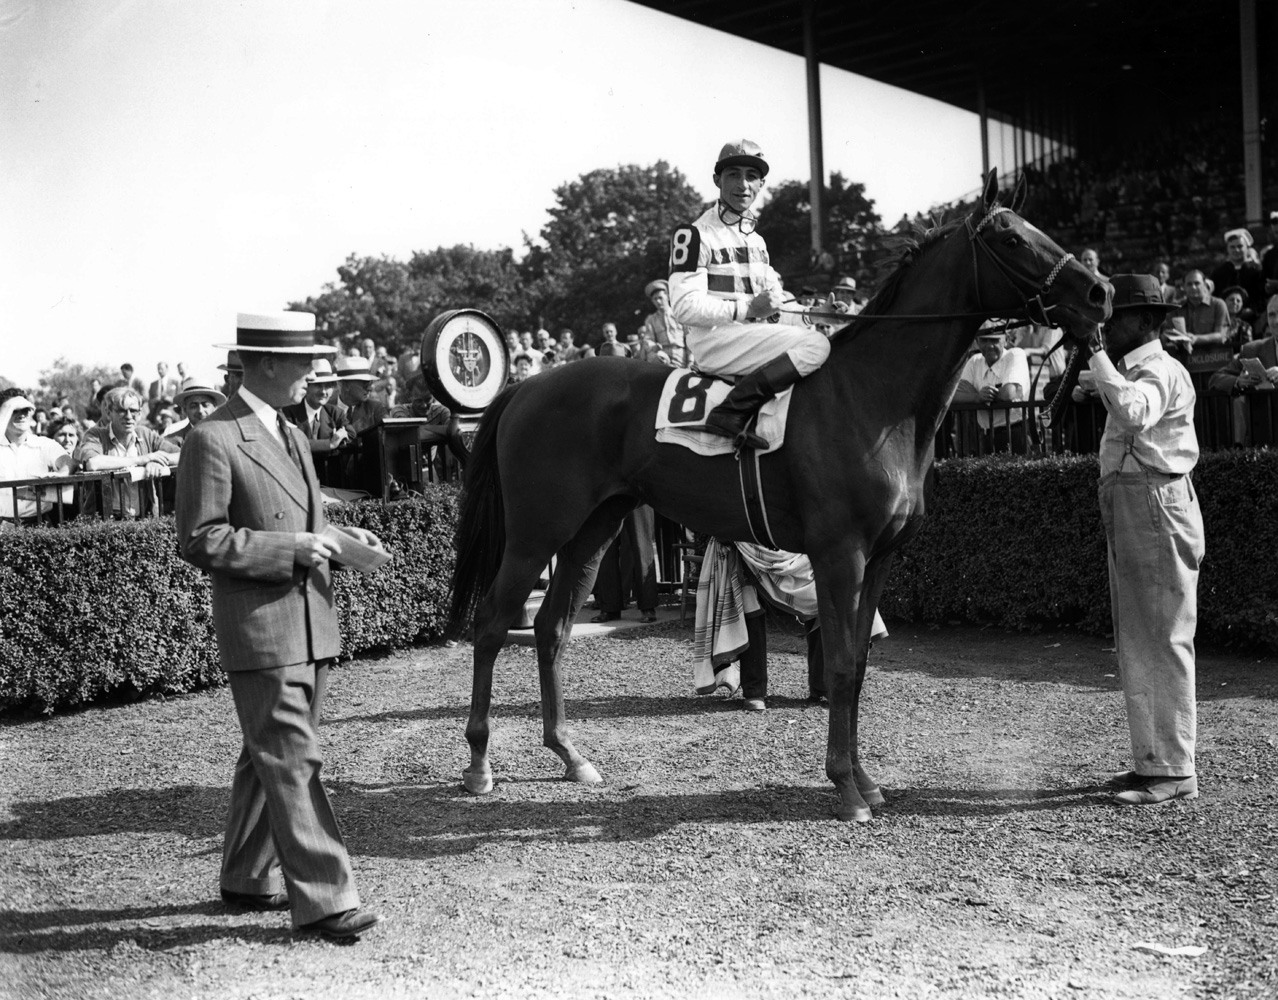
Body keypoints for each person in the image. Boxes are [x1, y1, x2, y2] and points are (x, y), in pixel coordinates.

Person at [175, 310, 386, 941]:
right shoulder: (212, 438)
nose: (314, 377)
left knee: (267, 754)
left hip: (311, 622)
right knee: (292, 757)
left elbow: (308, 518)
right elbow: (200, 538)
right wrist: (288, 549)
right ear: (266, 364)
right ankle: (326, 898)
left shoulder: (289, 432)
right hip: (262, 627)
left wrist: (341, 539)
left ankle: (245, 873)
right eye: (304, 365)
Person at [1085, 275, 1203, 807]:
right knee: (1140, 634)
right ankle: (1154, 762)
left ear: (1146, 322)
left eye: (1118, 316)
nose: (1108, 326)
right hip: (1138, 501)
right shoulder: (1136, 368)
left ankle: (1173, 770)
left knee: (1161, 634)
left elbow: (1134, 412)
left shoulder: (1159, 369)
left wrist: (1096, 358)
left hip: (1155, 500)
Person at [668, 139, 829, 450]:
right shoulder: (693, 234)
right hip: (716, 343)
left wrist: (814, 313)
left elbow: (776, 304)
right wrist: (747, 308)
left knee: (829, 336)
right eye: (733, 174)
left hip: (751, 337)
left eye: (751, 176)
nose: (743, 185)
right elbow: (684, 308)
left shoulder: (756, 240)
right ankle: (732, 411)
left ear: (761, 184)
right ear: (717, 180)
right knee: (816, 345)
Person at [76, 387, 179, 518]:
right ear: (108, 413)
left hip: (144, 519)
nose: (129, 416)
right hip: (105, 521)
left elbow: (183, 455)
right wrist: (142, 459)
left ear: (140, 413)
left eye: (134, 411)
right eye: (122, 411)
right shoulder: (96, 435)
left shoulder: (145, 434)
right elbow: (93, 462)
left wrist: (158, 462)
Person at [0, 389, 73, 524]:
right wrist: (6, 408)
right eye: (14, 410)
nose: (21, 415)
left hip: (38, 524)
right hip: (3, 526)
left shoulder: (43, 443)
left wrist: (62, 473)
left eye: (25, 410)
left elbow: (67, 462)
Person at [953, 325, 1031, 452]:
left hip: (1014, 432)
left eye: (995, 340)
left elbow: (1009, 393)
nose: (989, 346)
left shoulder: (1015, 354)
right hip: (985, 435)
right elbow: (954, 395)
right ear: (977, 342)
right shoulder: (974, 361)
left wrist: (982, 396)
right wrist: (978, 397)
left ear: (1005, 340)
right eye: (984, 340)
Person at [591, 506, 658, 625]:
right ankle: (610, 608)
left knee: (641, 545)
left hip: (639, 493)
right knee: (606, 551)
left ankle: (648, 607)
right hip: (609, 493)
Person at [1208, 294, 1278, 396]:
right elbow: (1216, 378)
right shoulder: (1252, 350)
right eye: (1272, 315)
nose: (1276, 321)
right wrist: (1239, 382)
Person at [1210, 229, 1265, 316]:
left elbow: (1261, 297)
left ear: (1246, 247)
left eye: (1240, 246)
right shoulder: (1219, 273)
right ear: (1227, 249)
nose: (1236, 250)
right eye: (1232, 247)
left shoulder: (1256, 271)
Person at [637, 278, 690, 366]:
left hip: (681, 355)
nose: (658, 301)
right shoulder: (651, 320)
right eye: (655, 299)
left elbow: (689, 338)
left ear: (668, 297)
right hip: (663, 356)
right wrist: (653, 346)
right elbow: (648, 339)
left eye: (660, 298)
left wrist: (690, 362)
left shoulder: (679, 315)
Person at [167, 376, 227, 447]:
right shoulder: (171, 443)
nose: (200, 411)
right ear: (185, 410)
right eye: (193, 406)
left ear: (215, 407)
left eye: (205, 405)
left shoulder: (227, 438)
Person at [334, 356, 387, 435]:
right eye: (365, 384)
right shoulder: (325, 409)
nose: (369, 388)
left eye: (370, 383)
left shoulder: (375, 409)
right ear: (344, 385)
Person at [1219, 286, 1254, 350]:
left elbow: (1248, 349)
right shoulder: (1213, 322)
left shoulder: (1245, 327)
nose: (1235, 302)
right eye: (1231, 299)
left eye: (1238, 301)